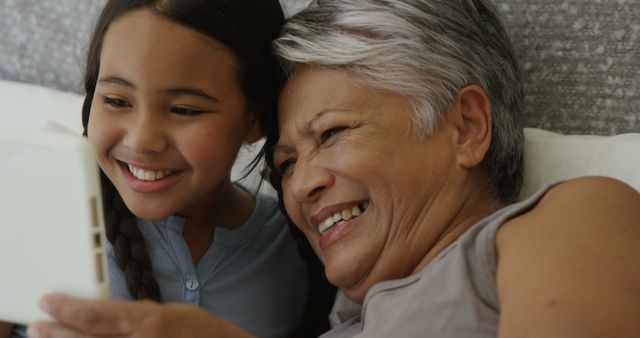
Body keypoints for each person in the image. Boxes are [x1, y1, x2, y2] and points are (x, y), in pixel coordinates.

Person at [26, 0, 640, 337]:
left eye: (334, 133)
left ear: (467, 127)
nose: (301, 186)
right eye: (286, 163)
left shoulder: (573, 215)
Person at [2, 0, 337, 338]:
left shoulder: (300, 244)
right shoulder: (34, 212)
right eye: (117, 101)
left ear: (253, 117)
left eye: (184, 109)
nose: (142, 140)